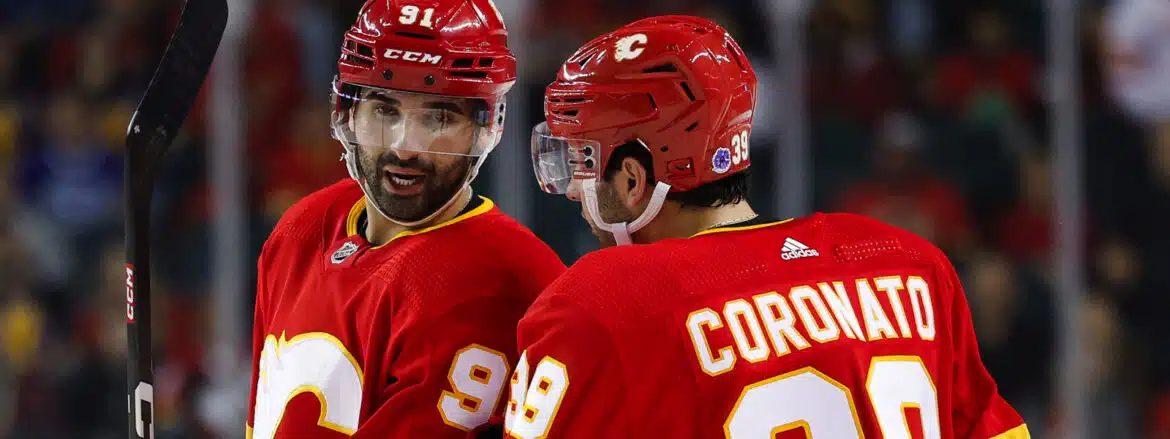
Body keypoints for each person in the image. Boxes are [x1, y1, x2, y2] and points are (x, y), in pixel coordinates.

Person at [504, 15, 1029, 439]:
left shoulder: (601, 302)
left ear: (635, 178)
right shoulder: (911, 264)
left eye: (583, 162)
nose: (573, 188)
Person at [245, 1, 565, 438]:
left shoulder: (504, 279)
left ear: (486, 125)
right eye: (384, 110)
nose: (405, 148)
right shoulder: (303, 228)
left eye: (438, 116)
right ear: (347, 112)